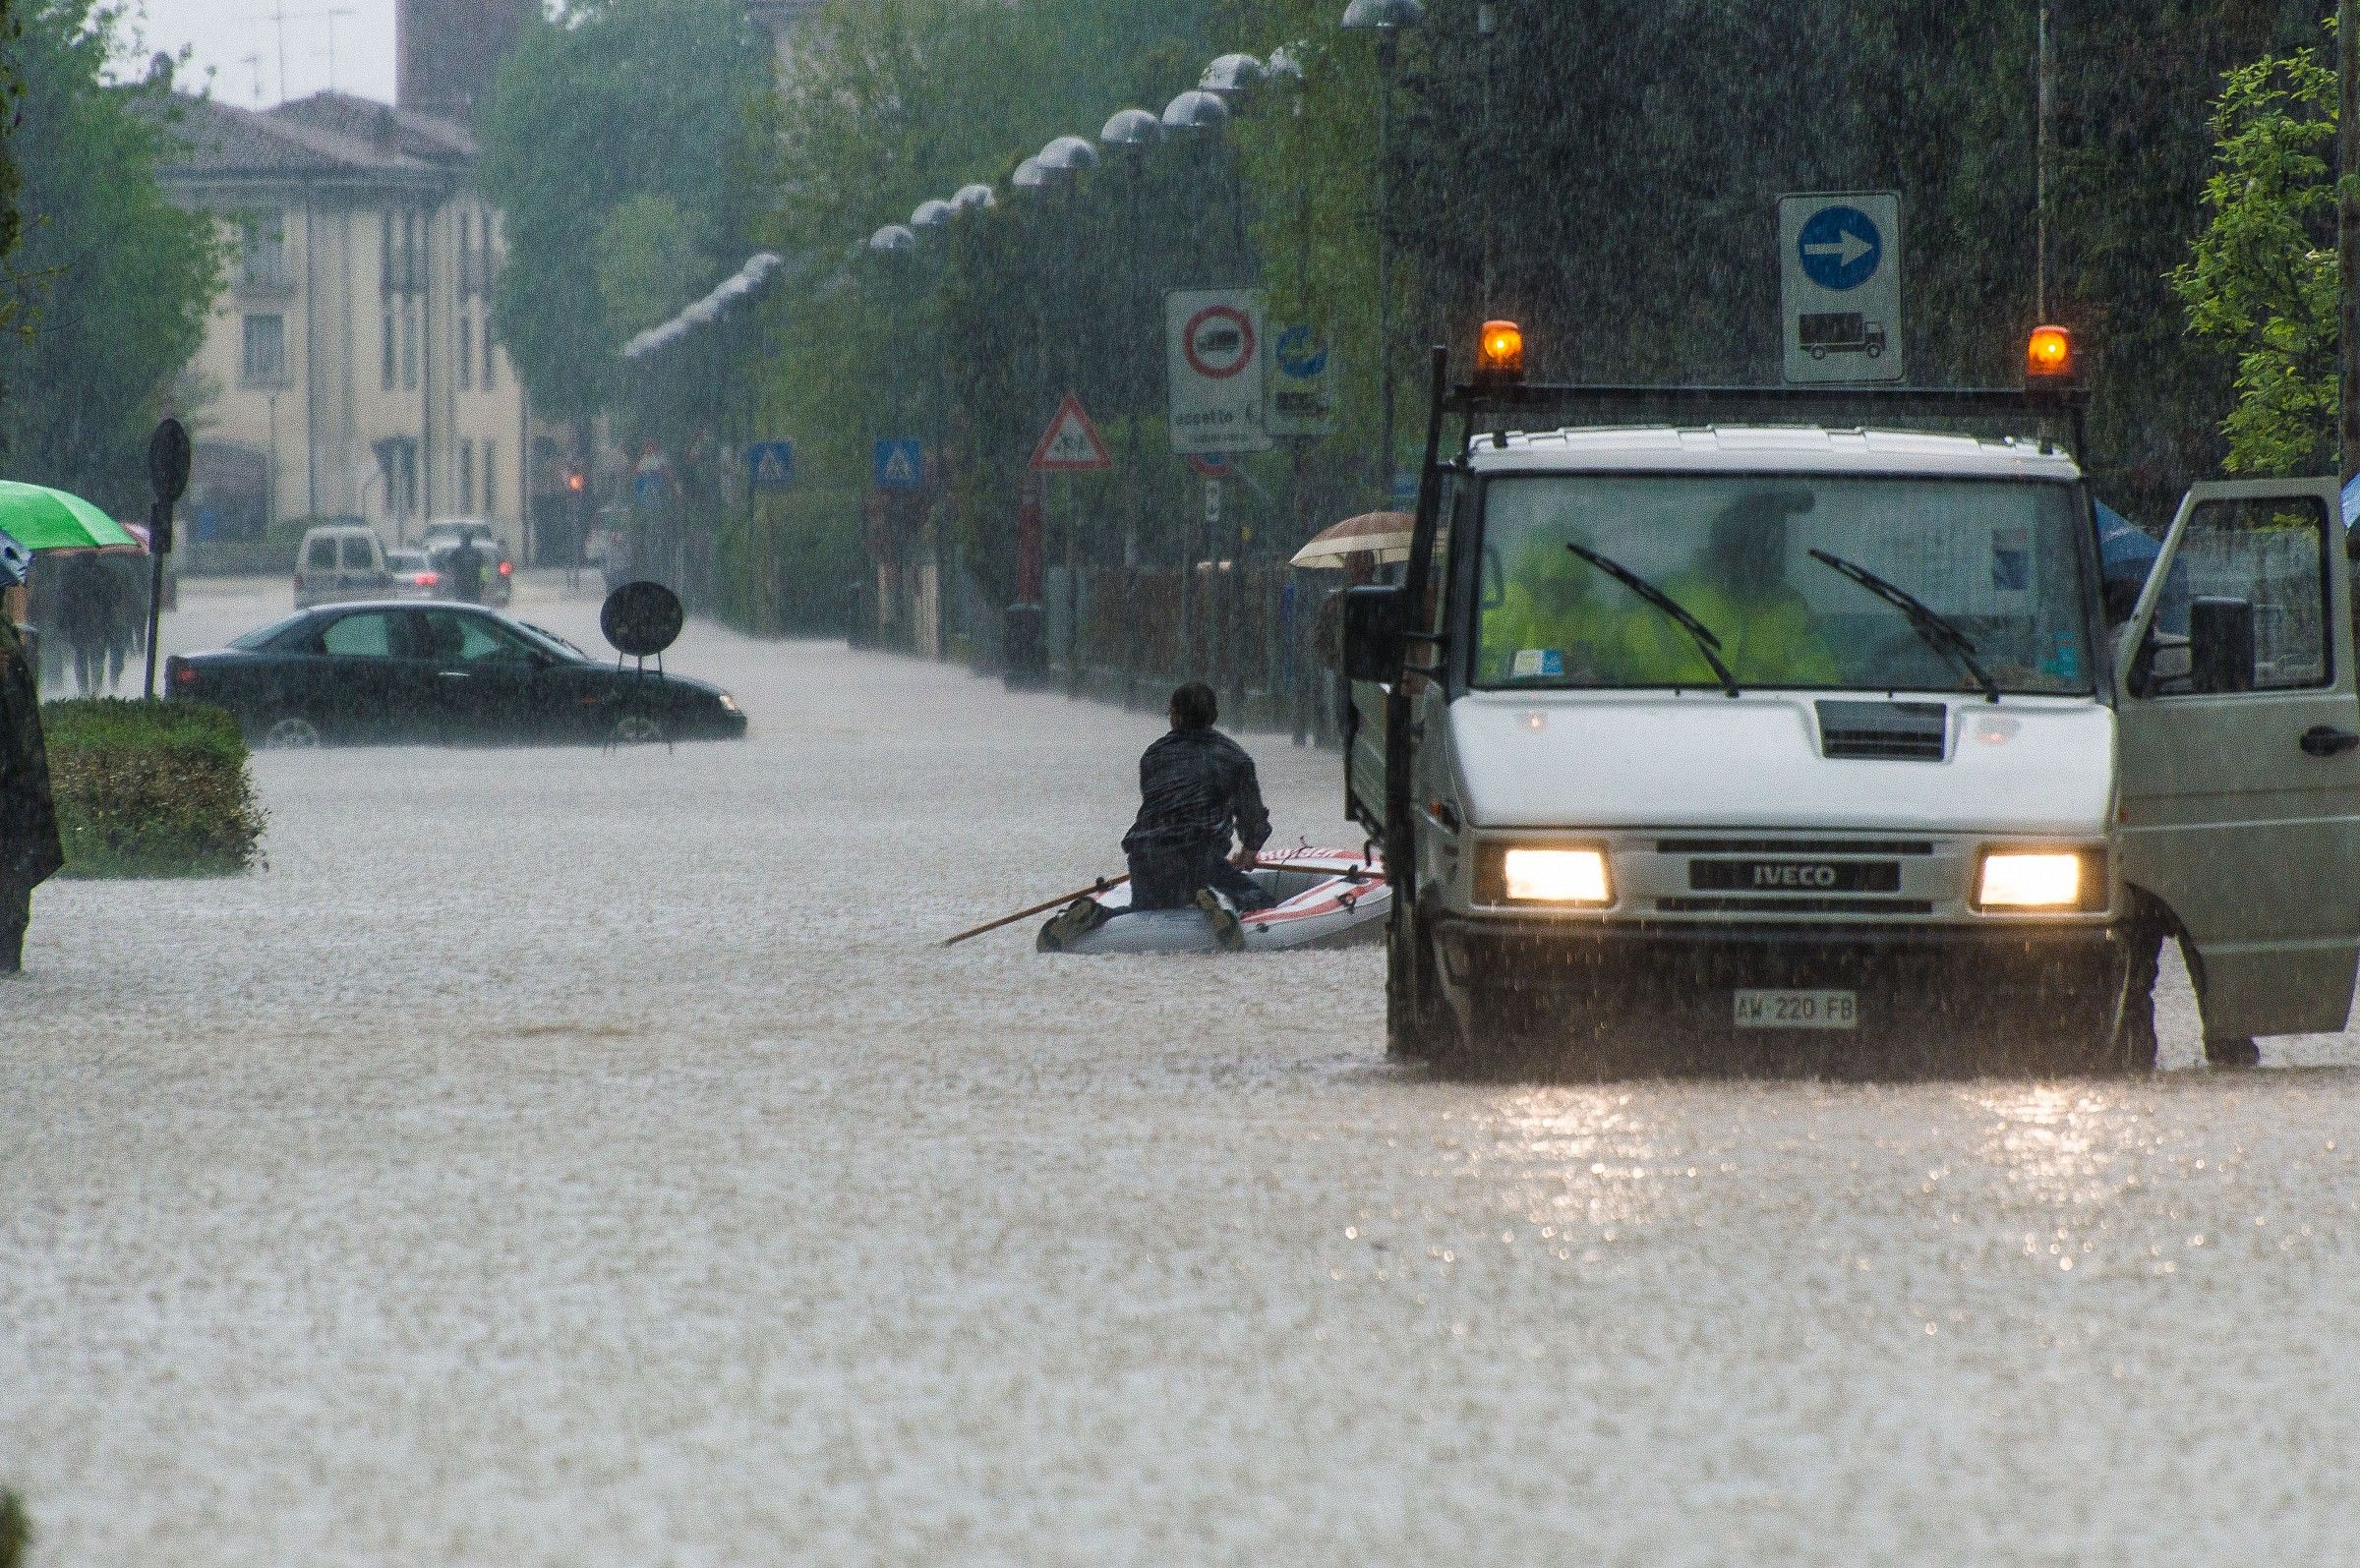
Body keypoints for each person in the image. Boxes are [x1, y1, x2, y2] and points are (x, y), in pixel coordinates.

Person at [1042, 681, 1273, 953]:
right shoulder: (1234, 759)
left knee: (1141, 910)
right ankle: (1219, 900)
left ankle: (1095, 914)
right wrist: (1249, 848)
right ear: (1214, 716)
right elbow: (1252, 815)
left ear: (1175, 716)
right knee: (1260, 899)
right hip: (1199, 859)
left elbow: (1161, 808)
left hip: (1147, 860)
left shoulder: (1154, 754)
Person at [1611, 489, 1841, 686]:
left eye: (1769, 547)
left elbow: (1819, 684)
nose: (1761, 558)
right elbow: (1610, 672)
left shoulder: (1788, 613)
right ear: (1722, 549)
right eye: (1749, 547)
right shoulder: (1660, 601)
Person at [0, 607, 64, 973]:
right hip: (15, 793)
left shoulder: (11, 644)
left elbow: (22, 731)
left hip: (15, 794)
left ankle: (9, 955)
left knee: (12, 880)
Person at [58, 552, 111, 695]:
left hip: (78, 623)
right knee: (97, 656)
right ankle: (96, 690)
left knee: (81, 656)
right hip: (98, 622)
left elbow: (64, 602)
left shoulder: (71, 574)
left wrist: (63, 623)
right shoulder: (102, 573)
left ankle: (83, 691)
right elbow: (111, 599)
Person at [444, 531, 488, 605]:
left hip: (464, 585)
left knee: (463, 605)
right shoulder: (477, 553)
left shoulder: (455, 552)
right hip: (471, 585)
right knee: (472, 606)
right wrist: (483, 582)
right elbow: (484, 569)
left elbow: (448, 568)